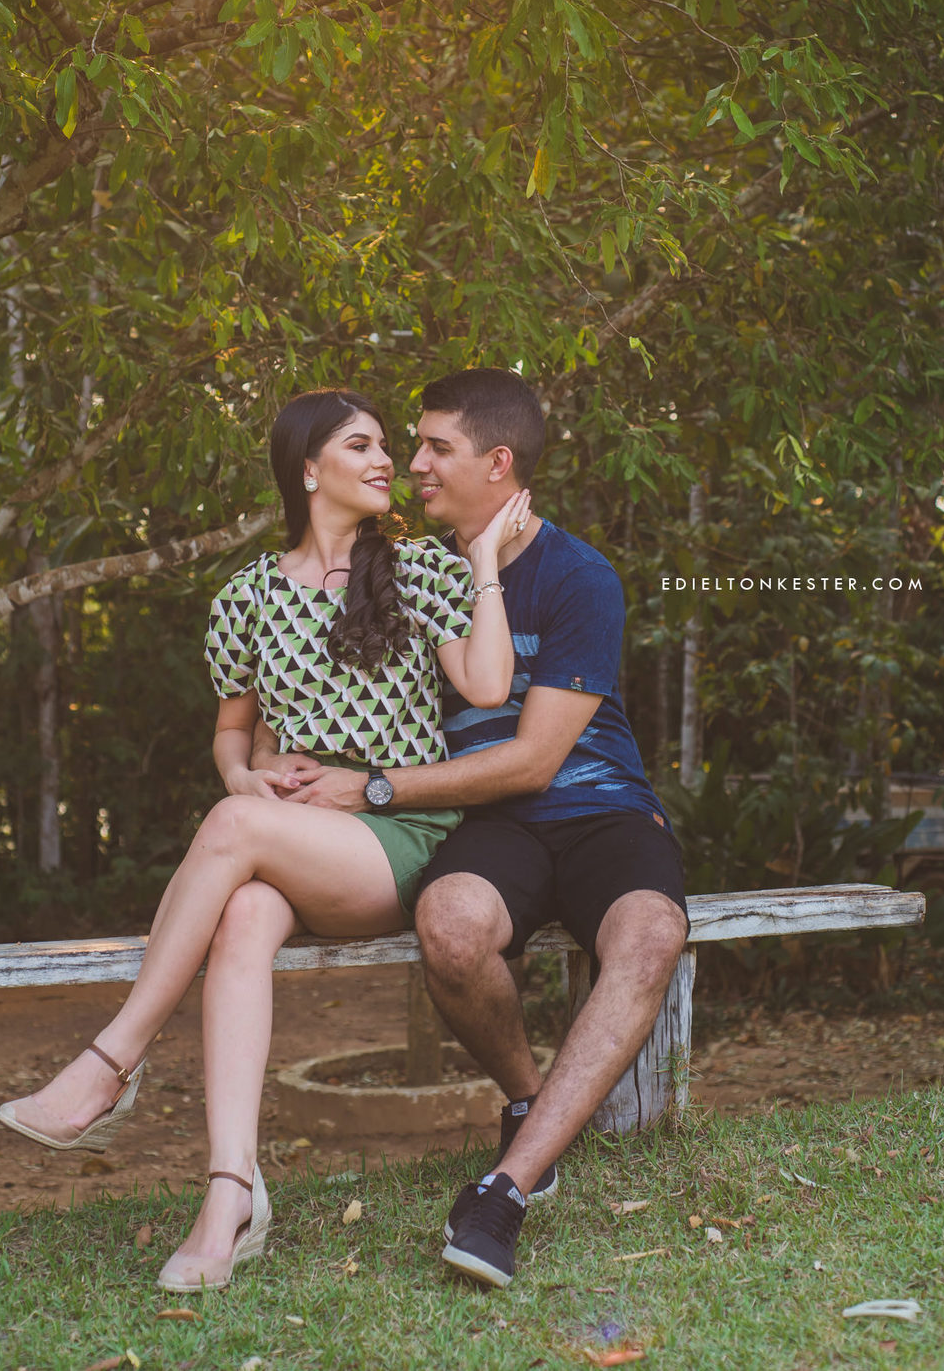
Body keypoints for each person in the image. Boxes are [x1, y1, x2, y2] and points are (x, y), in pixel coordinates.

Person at [0, 387, 530, 1291]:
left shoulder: (419, 570)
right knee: (242, 912)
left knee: (234, 827)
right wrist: (246, 778)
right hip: (291, 834)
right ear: (308, 469)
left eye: (386, 446)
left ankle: (110, 1063)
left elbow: (486, 685)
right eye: (361, 445)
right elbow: (232, 737)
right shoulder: (247, 596)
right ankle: (229, 1195)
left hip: (397, 832)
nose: (386, 461)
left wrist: (480, 561)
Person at [266, 369, 688, 1290]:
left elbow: (535, 761)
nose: (413, 463)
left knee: (652, 931)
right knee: (450, 925)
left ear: (498, 464)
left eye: (435, 448)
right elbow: (320, 688)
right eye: (410, 445)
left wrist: (374, 789)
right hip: (486, 826)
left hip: (601, 809)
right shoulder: (403, 570)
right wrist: (276, 767)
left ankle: (505, 1188)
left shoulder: (578, 576)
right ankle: (532, 1104)